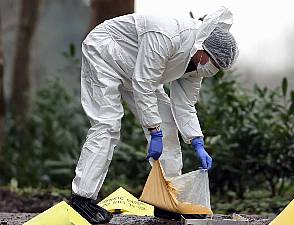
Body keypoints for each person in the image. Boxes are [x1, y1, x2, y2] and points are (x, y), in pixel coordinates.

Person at [69, 6, 238, 224]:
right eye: (212, 63)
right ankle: (82, 198)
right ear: (203, 50)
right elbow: (144, 83)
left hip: (137, 71)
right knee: (107, 125)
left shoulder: (197, 62)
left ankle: (166, 201)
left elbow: (185, 104)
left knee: (167, 123)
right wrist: (153, 131)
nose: (210, 70)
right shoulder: (167, 36)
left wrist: (197, 141)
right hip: (105, 53)